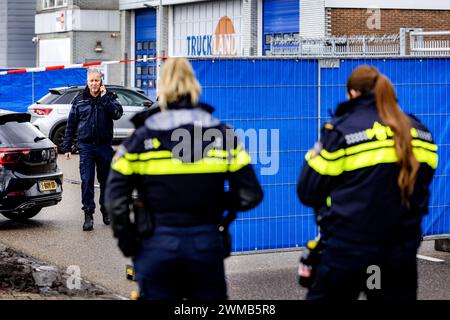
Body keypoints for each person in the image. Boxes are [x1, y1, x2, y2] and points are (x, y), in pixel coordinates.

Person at [104, 57, 263, 300]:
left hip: (155, 246)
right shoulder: (222, 135)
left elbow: (115, 200)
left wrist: (130, 244)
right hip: (206, 244)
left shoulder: (140, 139)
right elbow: (251, 194)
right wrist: (220, 208)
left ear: (162, 88)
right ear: (194, 86)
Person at [297, 65, 438, 300]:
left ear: (353, 93)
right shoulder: (419, 132)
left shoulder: (342, 132)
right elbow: (424, 180)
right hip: (398, 250)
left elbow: (308, 190)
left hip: (347, 249)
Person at [62, 68, 123, 231]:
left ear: (101, 81)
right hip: (86, 146)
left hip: (104, 146)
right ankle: (88, 214)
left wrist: (104, 99)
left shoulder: (110, 97)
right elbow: (71, 123)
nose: (94, 84)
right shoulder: (79, 99)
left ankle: (105, 210)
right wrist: (66, 146)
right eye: (91, 81)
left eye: (97, 81)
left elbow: (117, 114)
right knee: (87, 180)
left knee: (105, 181)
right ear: (87, 82)